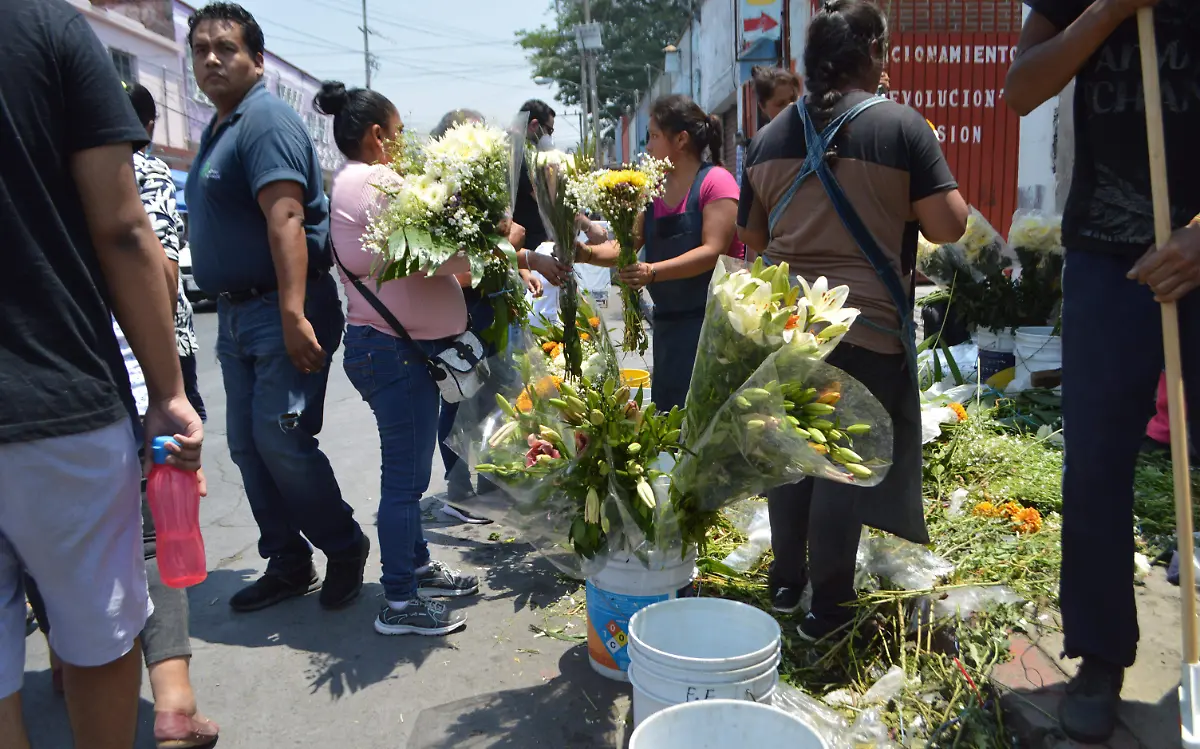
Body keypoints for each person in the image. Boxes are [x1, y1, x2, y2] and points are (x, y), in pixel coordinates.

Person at [0, 1, 204, 747]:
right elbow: (123, 229)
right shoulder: (48, 29)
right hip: (58, 398)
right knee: (98, 637)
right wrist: (169, 392)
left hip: (55, 404)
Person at [737, 0, 968, 641]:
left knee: (791, 453)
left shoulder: (769, 135)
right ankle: (828, 610)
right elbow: (949, 226)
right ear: (872, 53)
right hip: (863, 325)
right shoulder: (901, 127)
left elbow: (751, 236)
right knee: (839, 460)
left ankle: (786, 585)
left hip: (783, 321)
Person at [1006, 0, 1200, 741]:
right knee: (1094, 464)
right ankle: (1101, 656)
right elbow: (1023, 89)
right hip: (1104, 256)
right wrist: (1108, 13)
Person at [186, 2, 369, 613]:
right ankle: (288, 561)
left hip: (280, 307)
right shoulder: (222, 125)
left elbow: (287, 217)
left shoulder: (263, 119)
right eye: (200, 48)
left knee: (283, 438)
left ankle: (343, 546)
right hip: (239, 313)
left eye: (226, 47)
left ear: (256, 59)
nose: (211, 58)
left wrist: (294, 313)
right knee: (246, 443)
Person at [319, 82, 484, 635]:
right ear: (376, 135)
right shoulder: (373, 182)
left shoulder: (350, 183)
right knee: (404, 482)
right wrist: (487, 243)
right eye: (398, 133)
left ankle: (414, 568)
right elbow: (432, 256)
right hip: (393, 353)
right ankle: (400, 600)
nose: (403, 144)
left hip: (389, 350)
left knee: (406, 475)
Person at [25, 319, 219, 747]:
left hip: (24, 408)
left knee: (34, 555)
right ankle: (175, 702)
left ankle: (63, 658)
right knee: (148, 540)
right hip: (91, 395)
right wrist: (169, 392)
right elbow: (144, 260)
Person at [583, 94, 745, 411]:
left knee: (711, 421)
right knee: (671, 424)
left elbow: (712, 252)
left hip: (713, 329)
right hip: (669, 331)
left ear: (681, 139)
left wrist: (652, 271)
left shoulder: (716, 182)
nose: (648, 147)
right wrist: (583, 253)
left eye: (655, 136)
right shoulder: (653, 188)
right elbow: (627, 246)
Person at [128, 83, 207, 422]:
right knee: (175, 444)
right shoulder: (151, 170)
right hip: (160, 339)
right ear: (148, 126)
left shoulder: (75, 172)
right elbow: (164, 271)